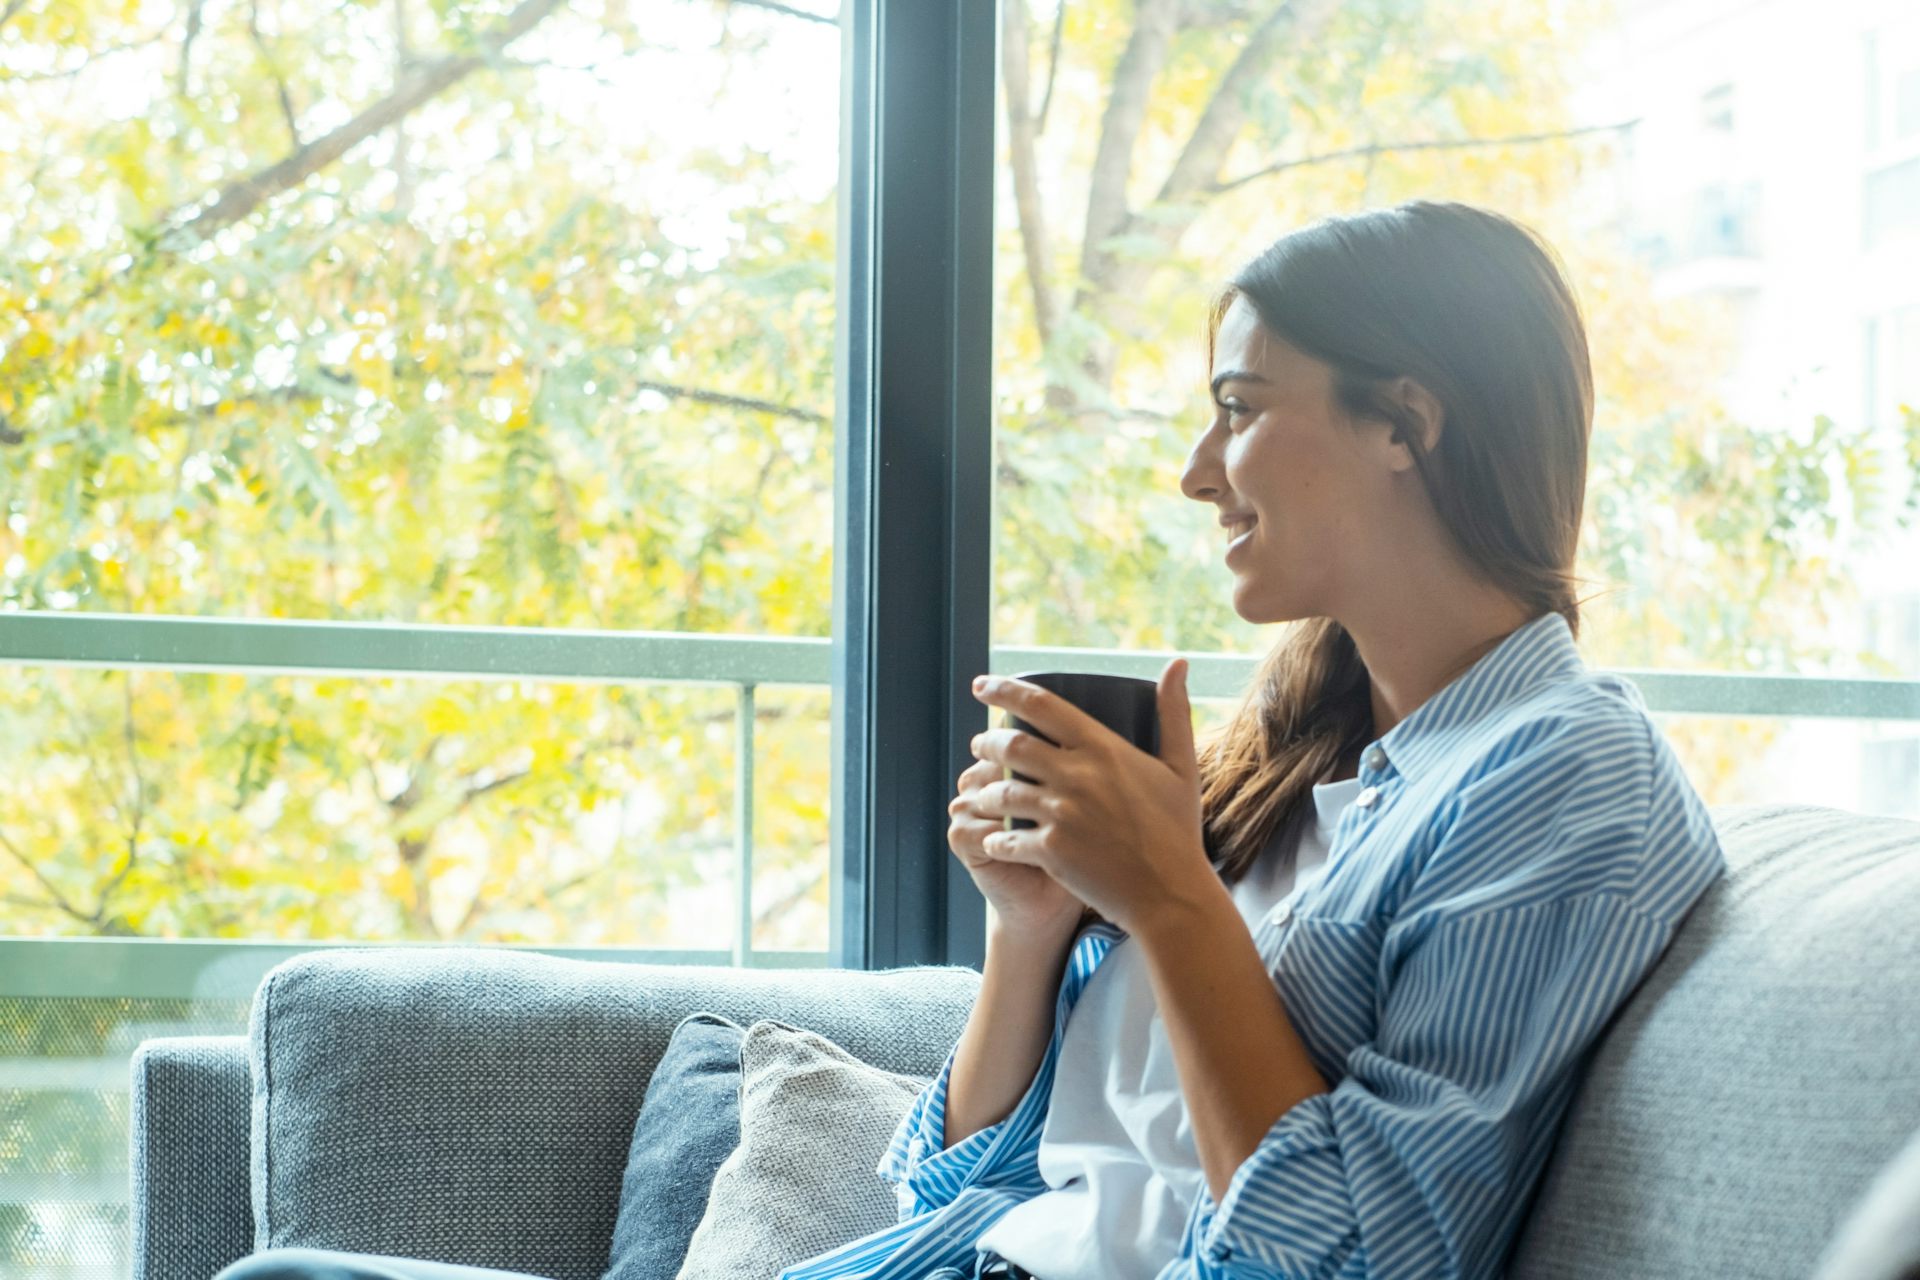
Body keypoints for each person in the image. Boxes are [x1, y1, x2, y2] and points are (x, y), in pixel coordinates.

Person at [215, 200, 1726, 1280]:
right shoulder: (1308, 755)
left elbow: (1353, 1259)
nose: (1199, 470)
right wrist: (1032, 933)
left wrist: (1173, 899)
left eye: (1242, 408)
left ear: (1409, 421)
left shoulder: (1563, 774)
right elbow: (964, 1179)